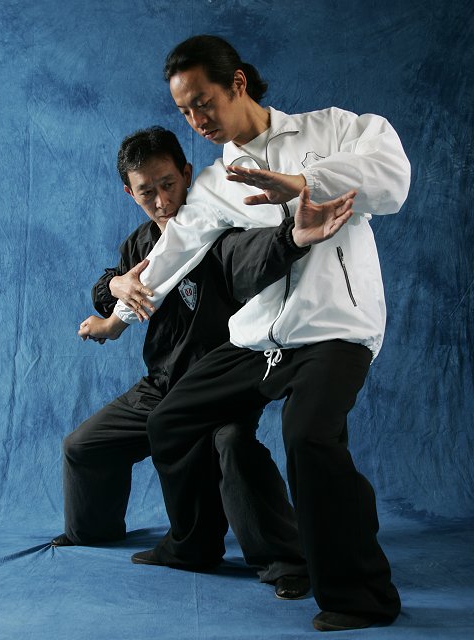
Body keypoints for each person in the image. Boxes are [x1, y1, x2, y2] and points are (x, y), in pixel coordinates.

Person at [104, 36, 411, 632]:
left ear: (238, 83)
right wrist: (121, 312)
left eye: (204, 103)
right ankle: (194, 543)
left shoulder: (333, 129)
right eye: (185, 112)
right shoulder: (215, 182)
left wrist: (302, 182)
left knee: (309, 438)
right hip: (260, 340)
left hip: (334, 329)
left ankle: (360, 596)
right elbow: (175, 249)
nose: (197, 121)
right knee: (171, 420)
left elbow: (392, 179)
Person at [52, 125, 355, 600]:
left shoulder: (218, 232)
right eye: (146, 192)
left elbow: (255, 258)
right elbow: (108, 284)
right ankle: (93, 531)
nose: (161, 201)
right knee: (82, 446)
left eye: (168, 184)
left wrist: (293, 239)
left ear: (188, 174)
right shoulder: (138, 245)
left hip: (220, 386)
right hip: (159, 385)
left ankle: (285, 562)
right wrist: (114, 287)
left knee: (231, 444)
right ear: (129, 193)